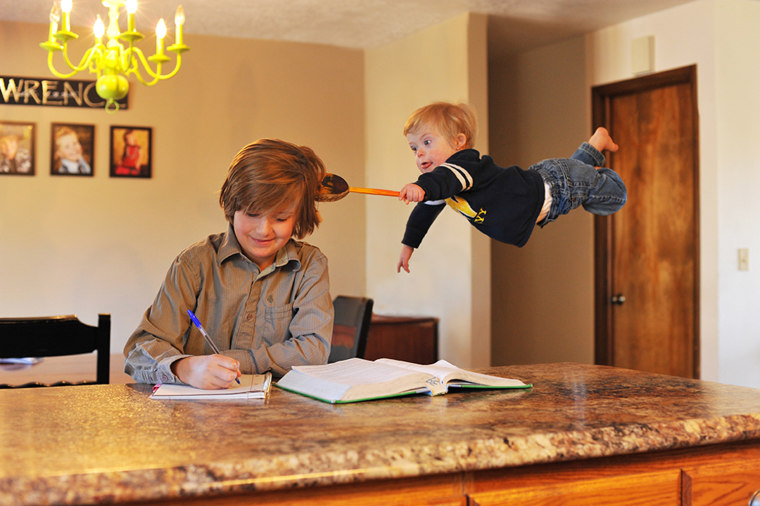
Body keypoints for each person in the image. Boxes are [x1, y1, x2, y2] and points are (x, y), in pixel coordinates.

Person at [124, 139, 334, 389]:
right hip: (195, 416)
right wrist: (185, 367)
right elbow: (140, 350)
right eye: (252, 214)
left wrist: (234, 361)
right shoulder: (194, 263)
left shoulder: (310, 265)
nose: (263, 230)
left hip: (276, 413)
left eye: (280, 217)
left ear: (299, 216)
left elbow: (313, 351)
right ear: (232, 206)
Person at [396, 102, 627, 273]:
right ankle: (596, 144)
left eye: (427, 142)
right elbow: (425, 211)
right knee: (575, 174)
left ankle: (594, 176)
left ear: (458, 142)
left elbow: (442, 180)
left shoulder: (465, 165)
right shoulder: (445, 184)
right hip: (546, 189)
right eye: (414, 148)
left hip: (554, 187)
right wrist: (409, 244)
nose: (420, 154)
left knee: (615, 198)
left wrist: (420, 186)